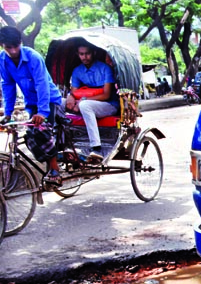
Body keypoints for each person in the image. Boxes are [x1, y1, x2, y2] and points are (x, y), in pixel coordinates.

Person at [0, 26, 65, 187]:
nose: (14, 50)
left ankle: (55, 169)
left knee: (42, 131)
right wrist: (7, 113)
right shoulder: (3, 60)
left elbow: (41, 84)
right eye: (9, 47)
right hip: (31, 102)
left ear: (21, 42)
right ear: (2, 45)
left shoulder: (33, 57)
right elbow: (8, 86)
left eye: (16, 46)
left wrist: (43, 112)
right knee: (29, 136)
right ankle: (52, 158)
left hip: (48, 100)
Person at [65, 43, 119, 164]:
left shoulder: (105, 69)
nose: (85, 57)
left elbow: (106, 95)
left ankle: (96, 148)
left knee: (85, 105)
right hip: (87, 103)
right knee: (58, 103)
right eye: (81, 54)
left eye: (87, 53)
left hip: (108, 105)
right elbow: (74, 92)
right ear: (78, 55)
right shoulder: (77, 71)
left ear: (93, 53)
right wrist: (70, 98)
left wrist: (82, 101)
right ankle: (60, 143)